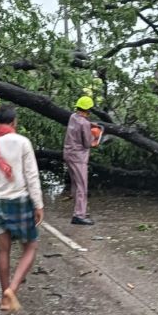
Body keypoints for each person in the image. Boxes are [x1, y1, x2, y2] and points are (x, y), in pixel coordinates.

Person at [0, 104, 44, 312]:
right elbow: (31, 175)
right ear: (14, 122)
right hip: (20, 200)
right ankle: (12, 290)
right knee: (30, 246)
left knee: (3, 250)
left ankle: (4, 298)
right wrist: (38, 203)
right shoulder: (22, 142)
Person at [64, 96, 99, 226]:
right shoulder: (84, 123)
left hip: (68, 154)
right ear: (88, 109)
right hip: (78, 157)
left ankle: (79, 210)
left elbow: (81, 125)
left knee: (75, 184)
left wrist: (90, 125)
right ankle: (79, 215)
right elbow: (87, 143)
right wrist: (95, 139)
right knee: (82, 186)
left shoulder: (73, 117)